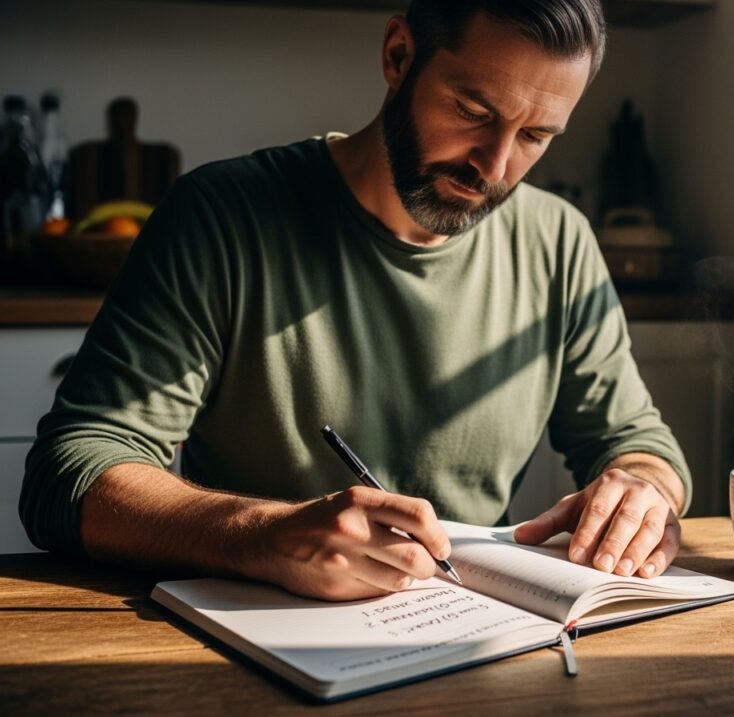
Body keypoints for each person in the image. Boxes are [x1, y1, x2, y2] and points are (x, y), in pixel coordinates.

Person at [21, 0, 692, 601]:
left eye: (535, 137)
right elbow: (70, 468)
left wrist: (644, 489)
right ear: (398, 55)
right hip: (248, 649)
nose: (493, 167)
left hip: (465, 642)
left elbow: (634, 442)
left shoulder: (559, 241)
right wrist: (260, 533)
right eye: (473, 112)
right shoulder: (221, 217)